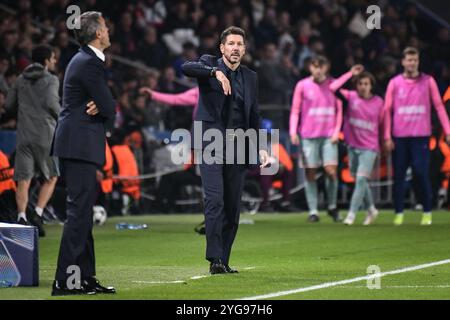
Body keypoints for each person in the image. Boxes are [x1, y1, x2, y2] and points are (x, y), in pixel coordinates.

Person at [182, 26, 270, 274]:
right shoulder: (208, 64)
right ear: (222, 48)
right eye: (230, 43)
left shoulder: (251, 77)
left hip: (239, 145)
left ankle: (224, 259)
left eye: (239, 44)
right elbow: (186, 68)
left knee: (232, 207)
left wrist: (261, 147)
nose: (235, 48)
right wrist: (214, 74)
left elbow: (255, 115)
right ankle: (215, 259)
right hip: (210, 142)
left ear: (244, 49)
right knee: (214, 200)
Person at [50, 11, 116, 296]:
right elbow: (111, 108)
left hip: (78, 144)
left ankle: (84, 278)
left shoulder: (85, 61)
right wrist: (103, 106)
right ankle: (64, 281)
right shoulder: (89, 63)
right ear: (97, 34)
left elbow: (105, 104)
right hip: (79, 145)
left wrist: (102, 104)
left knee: (83, 214)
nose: (109, 30)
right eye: (105, 27)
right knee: (78, 214)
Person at [383, 47, 450, 226]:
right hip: (400, 136)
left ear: (418, 62)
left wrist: (448, 130)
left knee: (421, 173)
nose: (411, 63)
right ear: (403, 62)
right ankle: (398, 213)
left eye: (415, 60)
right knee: (398, 175)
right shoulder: (395, 83)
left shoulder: (428, 81)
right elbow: (387, 110)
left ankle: (427, 211)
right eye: (409, 60)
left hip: (420, 136)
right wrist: (387, 135)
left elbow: (439, 106)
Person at [4, 44, 60, 237]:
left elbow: (9, 105)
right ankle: (37, 213)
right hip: (45, 135)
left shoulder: (20, 79)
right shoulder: (51, 80)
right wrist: (62, 117)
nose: (54, 62)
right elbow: (53, 104)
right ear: (45, 61)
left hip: (24, 135)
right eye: (53, 58)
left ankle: (21, 217)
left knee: (23, 179)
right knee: (51, 176)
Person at [289, 55, 343, 223]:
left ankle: (332, 206)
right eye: (314, 66)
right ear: (310, 68)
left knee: (331, 171)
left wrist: (337, 131)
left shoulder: (334, 85)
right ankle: (313, 210)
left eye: (321, 66)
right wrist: (293, 131)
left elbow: (339, 110)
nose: (318, 69)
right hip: (308, 136)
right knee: (310, 172)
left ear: (327, 67)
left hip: (328, 135)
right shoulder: (302, 85)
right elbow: (295, 109)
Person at [330, 66, 385, 225]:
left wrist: (384, 141)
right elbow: (333, 87)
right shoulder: (351, 97)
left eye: (366, 84)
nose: (363, 87)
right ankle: (372, 209)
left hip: (370, 146)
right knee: (359, 179)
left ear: (371, 85)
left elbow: (383, 124)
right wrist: (350, 73)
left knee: (360, 180)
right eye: (360, 83)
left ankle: (351, 215)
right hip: (353, 145)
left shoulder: (378, 102)